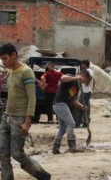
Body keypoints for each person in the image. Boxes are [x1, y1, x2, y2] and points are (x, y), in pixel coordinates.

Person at [0, 43, 51, 179]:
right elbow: (19, 71)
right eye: (2, 59)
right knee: (2, 152)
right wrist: (38, 81)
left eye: (5, 58)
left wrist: (27, 122)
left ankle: (42, 175)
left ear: (14, 55)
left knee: (17, 153)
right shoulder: (11, 70)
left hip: (19, 118)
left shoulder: (26, 71)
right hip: (7, 116)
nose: (3, 62)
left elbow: (32, 98)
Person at [51, 71, 89, 154]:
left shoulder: (77, 87)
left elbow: (73, 100)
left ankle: (55, 148)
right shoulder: (70, 77)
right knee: (71, 123)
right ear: (82, 76)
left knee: (62, 128)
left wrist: (81, 106)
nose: (85, 82)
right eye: (85, 79)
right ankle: (72, 146)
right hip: (60, 104)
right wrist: (76, 78)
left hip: (63, 105)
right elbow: (62, 78)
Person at [76, 60, 95, 128]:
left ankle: (84, 123)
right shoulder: (83, 71)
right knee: (82, 107)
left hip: (86, 91)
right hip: (84, 91)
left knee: (83, 107)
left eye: (82, 64)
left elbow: (91, 77)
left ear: (84, 64)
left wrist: (87, 83)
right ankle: (80, 122)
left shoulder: (89, 71)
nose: (81, 66)